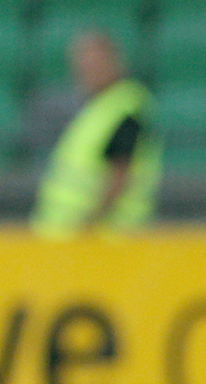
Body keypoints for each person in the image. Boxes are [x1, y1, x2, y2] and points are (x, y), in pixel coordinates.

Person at [32, 31, 161, 237]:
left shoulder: (125, 108)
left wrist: (88, 225)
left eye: (95, 63)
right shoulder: (100, 106)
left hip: (103, 239)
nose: (86, 70)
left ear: (114, 62)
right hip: (69, 237)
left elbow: (120, 174)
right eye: (82, 64)